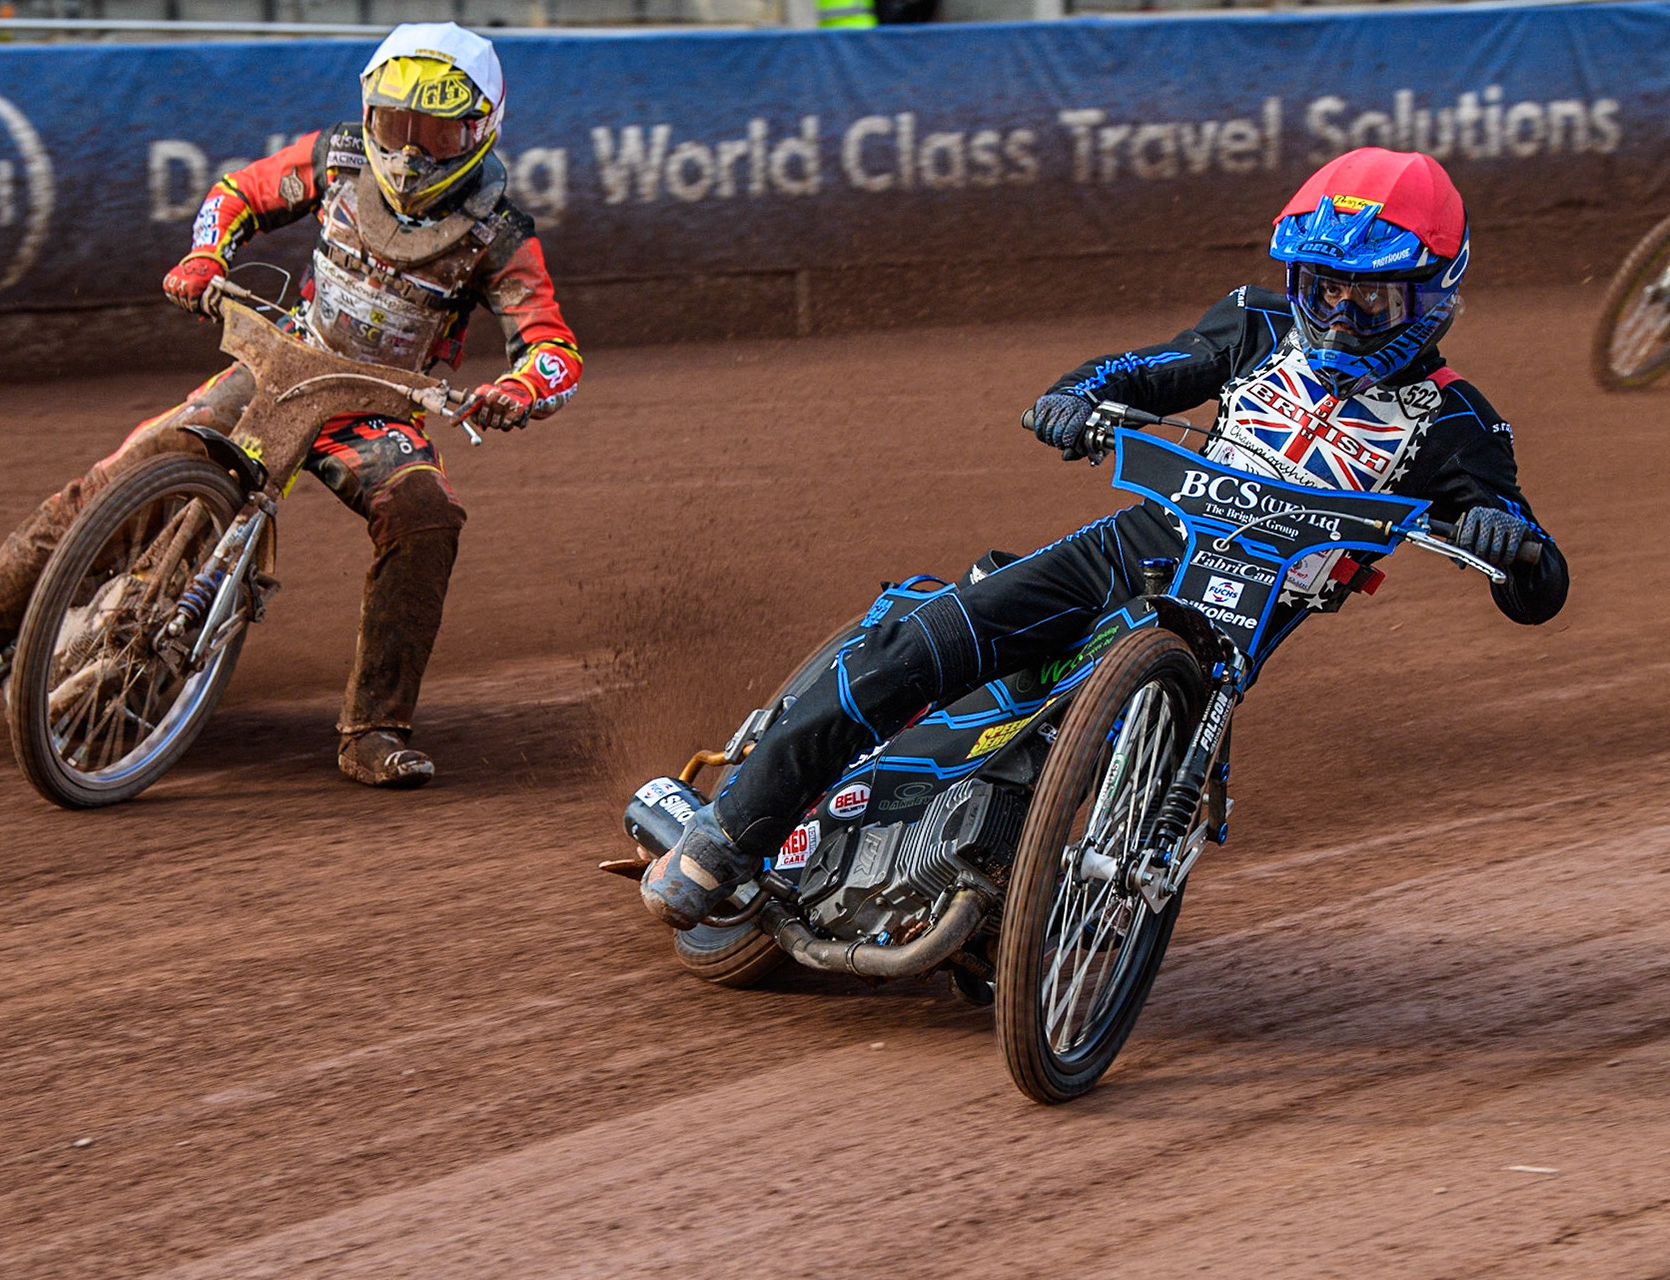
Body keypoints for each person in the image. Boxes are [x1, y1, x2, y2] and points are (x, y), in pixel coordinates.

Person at [642, 146, 1568, 927]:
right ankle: (729, 838)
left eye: (1371, 302)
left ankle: (1020, 911)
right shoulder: (1255, 326)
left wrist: (1512, 545)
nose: (1336, 316)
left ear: (1435, 295)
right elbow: (1145, 368)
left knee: (1080, 755)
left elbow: (1538, 580)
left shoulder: (1457, 427)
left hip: (1231, 625)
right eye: (1320, 290)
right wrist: (1078, 398)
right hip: (1126, 549)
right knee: (917, 647)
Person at [0, 22, 583, 789]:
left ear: (481, 127)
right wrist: (203, 255)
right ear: (371, 115)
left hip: (379, 406)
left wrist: (523, 388)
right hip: (282, 362)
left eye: (436, 131)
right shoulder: (337, 157)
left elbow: (552, 343)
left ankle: (374, 729)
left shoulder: (499, 234)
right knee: (131, 472)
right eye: (398, 125)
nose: (413, 150)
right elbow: (240, 193)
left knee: (427, 514)